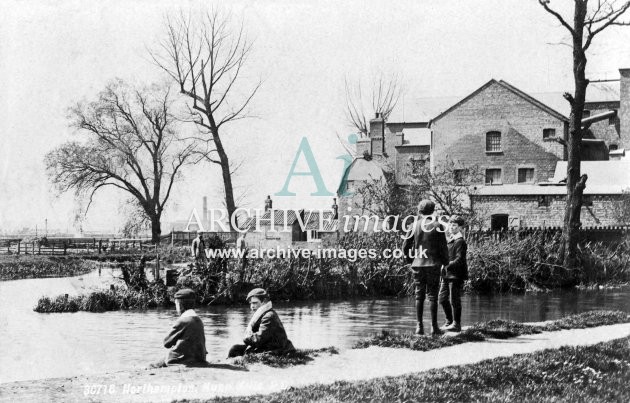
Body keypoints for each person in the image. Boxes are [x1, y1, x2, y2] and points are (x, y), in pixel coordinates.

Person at [402, 199, 449, 336]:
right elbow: (443, 248)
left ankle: (419, 327)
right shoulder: (438, 225)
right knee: (433, 296)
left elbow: (405, 247)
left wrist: (410, 261)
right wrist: (445, 264)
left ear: (419, 211)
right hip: (433, 264)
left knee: (419, 294)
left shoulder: (413, 226)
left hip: (418, 264)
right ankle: (434, 327)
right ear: (433, 211)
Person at [227, 288, 295, 358]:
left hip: (279, 350)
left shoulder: (269, 316)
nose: (252, 306)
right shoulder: (261, 314)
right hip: (267, 347)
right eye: (251, 303)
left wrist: (246, 338)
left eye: (255, 303)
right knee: (235, 349)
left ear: (264, 302)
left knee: (250, 356)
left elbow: (259, 339)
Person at [150, 288, 207, 367]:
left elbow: (166, 343)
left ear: (180, 306)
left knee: (153, 365)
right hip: (200, 358)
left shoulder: (183, 321)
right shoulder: (198, 320)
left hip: (183, 359)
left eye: (176, 304)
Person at [439, 215, 468, 332]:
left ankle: (456, 324)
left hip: (456, 275)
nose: (451, 227)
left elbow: (459, 259)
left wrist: (447, 265)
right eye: (450, 224)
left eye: (454, 225)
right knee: (442, 299)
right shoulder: (450, 240)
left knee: (454, 300)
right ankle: (449, 321)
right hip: (446, 274)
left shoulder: (460, 242)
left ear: (460, 227)